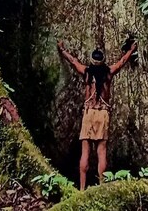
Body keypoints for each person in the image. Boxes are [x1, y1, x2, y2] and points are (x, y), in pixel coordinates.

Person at [57, 39, 138, 190]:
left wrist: (62, 50)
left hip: (89, 113)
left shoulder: (86, 72)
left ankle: (82, 189)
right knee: (102, 153)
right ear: (103, 61)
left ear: (92, 61)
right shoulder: (109, 72)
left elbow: (73, 61)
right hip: (102, 114)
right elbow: (122, 61)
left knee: (85, 153)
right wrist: (131, 50)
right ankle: (101, 187)